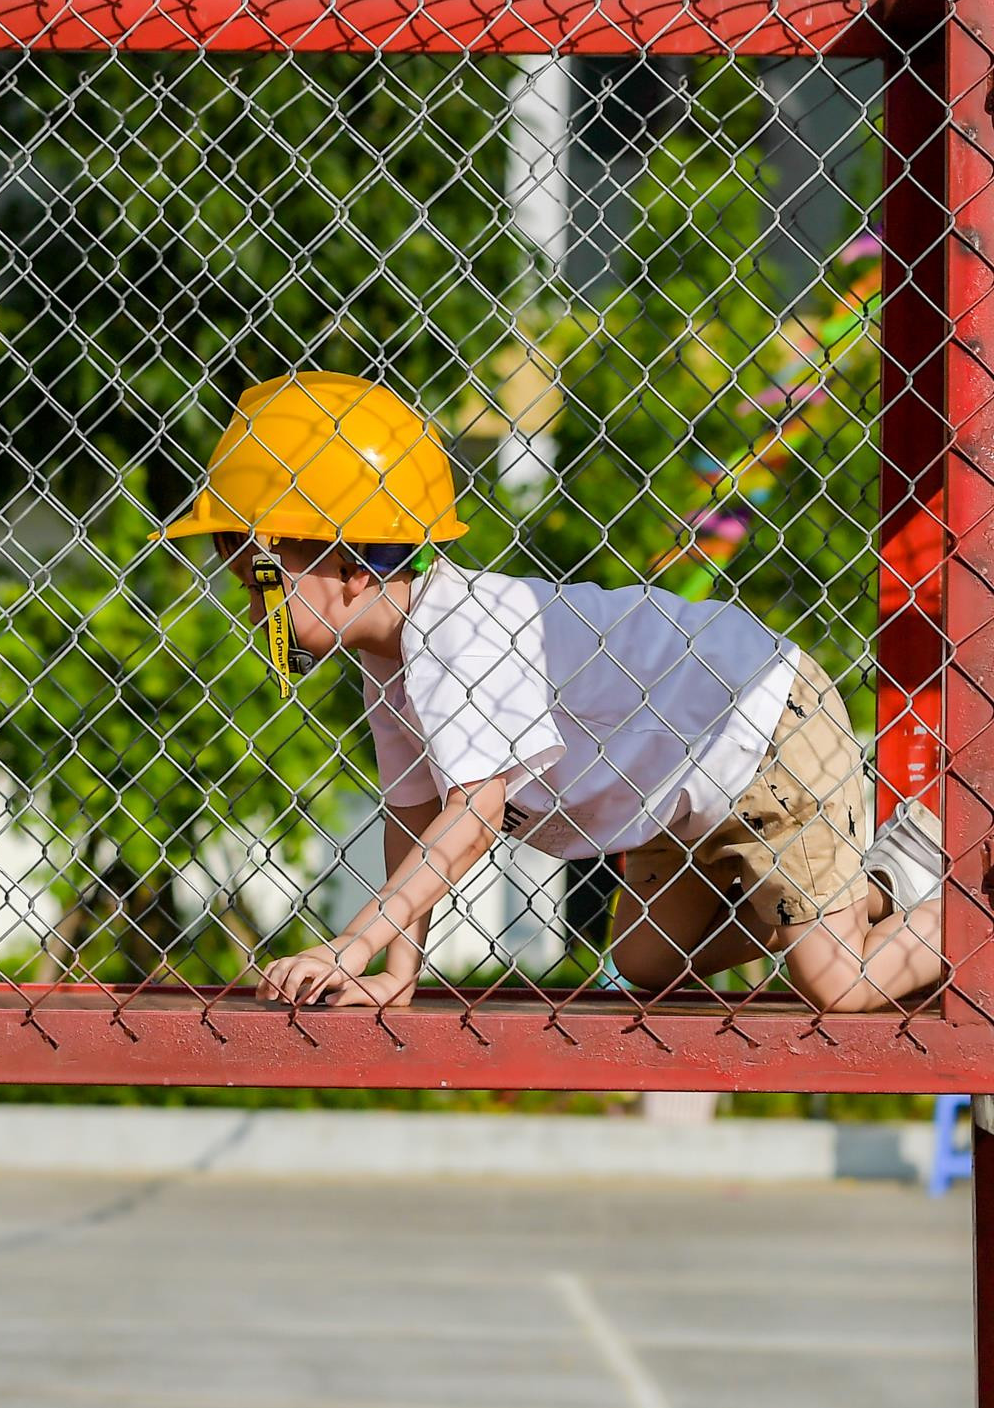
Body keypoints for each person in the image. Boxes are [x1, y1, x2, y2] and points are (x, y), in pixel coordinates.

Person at [156, 372, 945, 1014]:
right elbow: (413, 813)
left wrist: (351, 942)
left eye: (263, 582)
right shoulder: (388, 660)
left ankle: (959, 927)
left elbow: (472, 818)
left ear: (354, 565)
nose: (254, 608)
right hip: (679, 782)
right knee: (645, 961)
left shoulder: (457, 634)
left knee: (837, 985)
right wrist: (400, 968)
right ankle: (871, 887)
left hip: (761, 726)